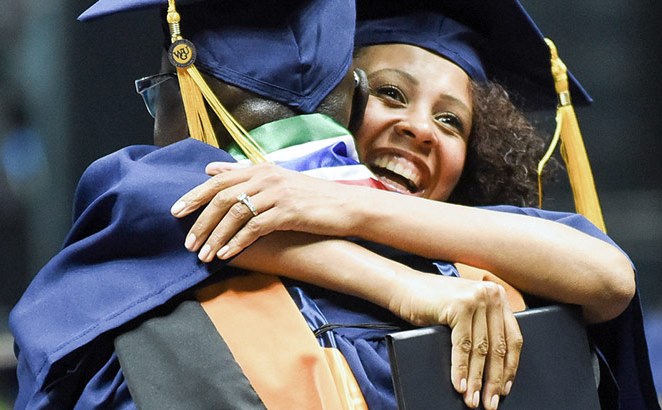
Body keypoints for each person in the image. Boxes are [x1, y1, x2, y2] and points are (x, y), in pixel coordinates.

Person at [166, 2, 660, 409]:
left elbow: (610, 278)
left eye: (451, 121)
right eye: (390, 93)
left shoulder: (484, 247)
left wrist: (344, 205)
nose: (420, 129)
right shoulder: (219, 193)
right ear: (334, 98)